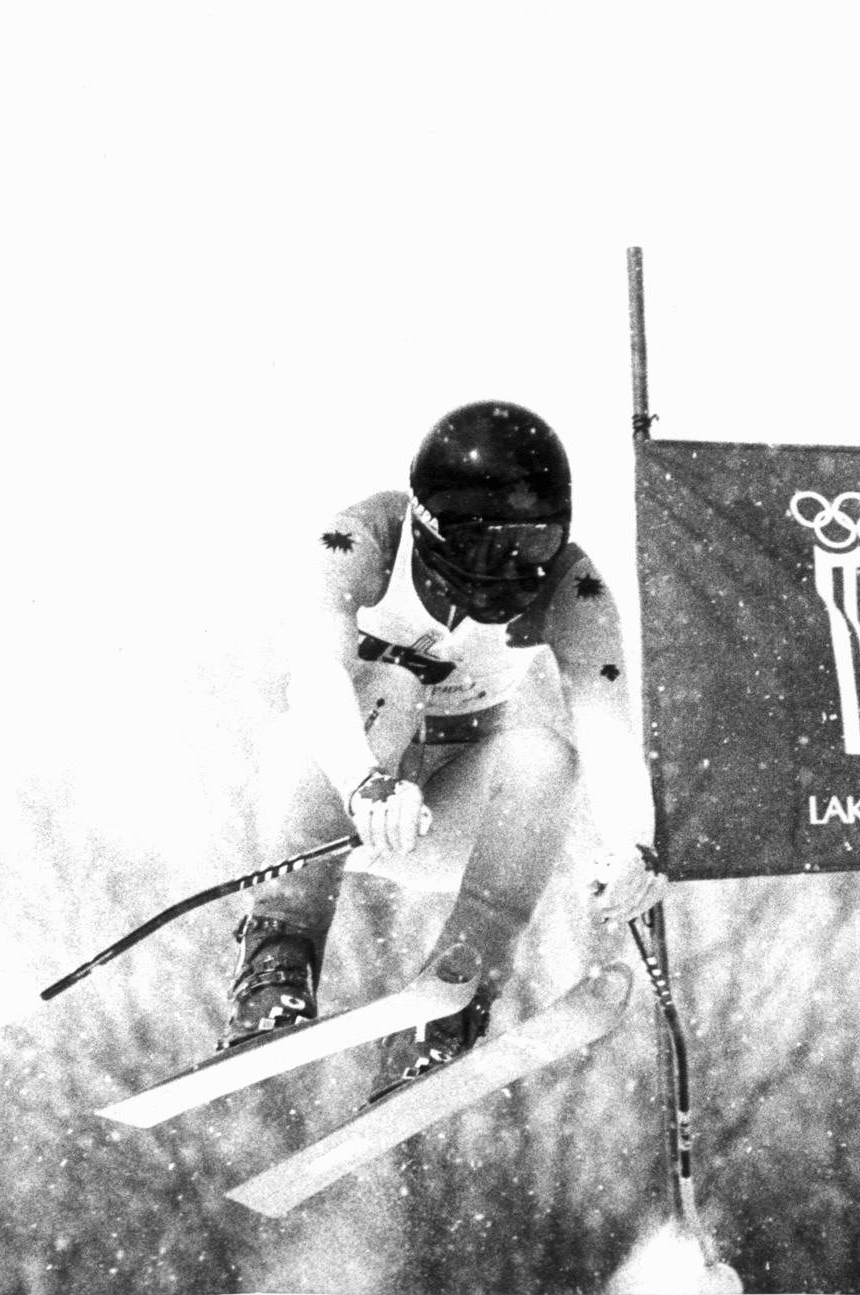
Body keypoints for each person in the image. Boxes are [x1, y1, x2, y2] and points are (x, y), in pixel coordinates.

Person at [226, 400, 665, 1101]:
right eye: (486, 547)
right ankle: (279, 955)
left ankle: (457, 989)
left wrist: (634, 845)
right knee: (390, 686)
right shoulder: (363, 537)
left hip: (445, 820)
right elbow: (315, 673)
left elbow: (606, 723)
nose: (508, 572)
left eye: (534, 545)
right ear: (433, 531)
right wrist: (363, 780)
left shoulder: (572, 587)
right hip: (339, 802)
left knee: (547, 759)